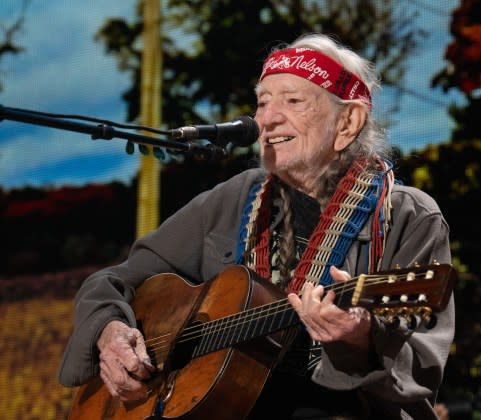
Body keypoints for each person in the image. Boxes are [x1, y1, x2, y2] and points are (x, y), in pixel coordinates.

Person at [58, 33, 455, 419]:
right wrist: (109, 330)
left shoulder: (409, 216)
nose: (266, 118)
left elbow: (419, 370)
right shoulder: (233, 198)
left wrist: (360, 337)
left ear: (348, 121)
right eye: (262, 102)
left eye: (293, 101)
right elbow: (112, 282)